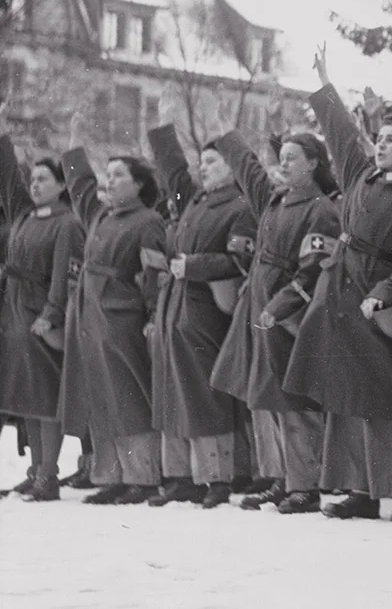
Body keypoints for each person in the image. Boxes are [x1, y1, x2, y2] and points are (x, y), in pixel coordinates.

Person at [282, 44, 392, 523]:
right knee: (344, 400)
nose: (382, 145)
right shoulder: (360, 178)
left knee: (384, 401)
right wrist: (325, 81)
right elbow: (340, 134)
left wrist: (383, 294)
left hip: (376, 304)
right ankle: (360, 490)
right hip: (339, 297)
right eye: (381, 138)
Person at [211, 130, 340, 514]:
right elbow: (250, 172)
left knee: (293, 399)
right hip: (260, 310)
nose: (283, 163)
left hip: (288, 316)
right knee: (266, 397)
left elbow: (313, 269)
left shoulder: (320, 209)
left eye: (292, 157)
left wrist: (280, 306)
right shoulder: (277, 201)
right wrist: (228, 137)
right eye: (281, 157)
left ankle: (306, 484)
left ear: (314, 163)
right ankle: (281, 479)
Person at [142, 125, 256, 509]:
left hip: (206, 313)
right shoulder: (197, 202)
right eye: (201, 162)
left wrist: (192, 265)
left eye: (211, 161)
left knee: (204, 396)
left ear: (231, 166)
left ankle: (217, 478)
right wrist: (163, 130)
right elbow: (174, 173)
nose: (202, 169)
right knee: (173, 394)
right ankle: (180, 477)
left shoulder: (241, 207)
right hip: (175, 310)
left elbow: (240, 259)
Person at [60, 113, 168, 504]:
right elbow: (81, 188)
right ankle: (113, 477)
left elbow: (156, 275)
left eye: (119, 174)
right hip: (90, 316)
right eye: (109, 174)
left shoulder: (149, 221)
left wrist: (154, 316)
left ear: (139, 184)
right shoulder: (101, 215)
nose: (110, 181)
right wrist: (74, 144)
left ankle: (142, 476)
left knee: (129, 395)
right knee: (101, 395)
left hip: (123, 317)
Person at [0, 141, 85, 501]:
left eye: (43, 179)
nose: (35, 185)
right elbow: (8, 180)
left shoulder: (67, 224)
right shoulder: (23, 217)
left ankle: (49, 475)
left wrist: (51, 315)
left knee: (47, 398)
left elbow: (65, 275)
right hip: (16, 317)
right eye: (32, 179)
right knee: (27, 399)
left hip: (41, 321)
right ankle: (36, 471)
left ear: (62, 185)